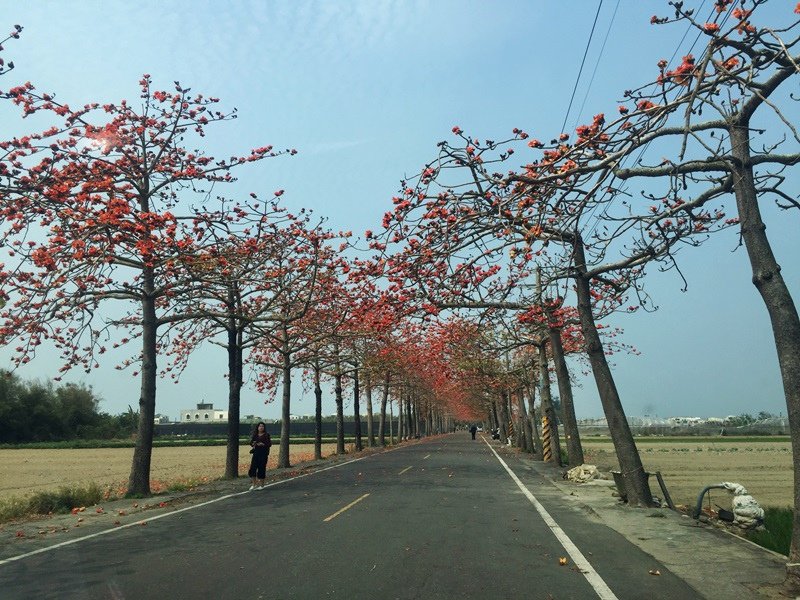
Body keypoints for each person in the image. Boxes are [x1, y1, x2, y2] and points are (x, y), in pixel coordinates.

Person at [248, 422, 271, 490]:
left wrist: (263, 444)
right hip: (256, 454)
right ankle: (254, 484)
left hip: (263, 454)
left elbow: (269, 444)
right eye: (260, 426)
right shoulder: (255, 435)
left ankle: (262, 485)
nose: (261, 427)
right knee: (252, 469)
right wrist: (253, 443)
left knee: (261, 469)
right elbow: (251, 443)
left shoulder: (266, 435)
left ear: (264, 428)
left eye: (262, 426)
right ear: (257, 427)